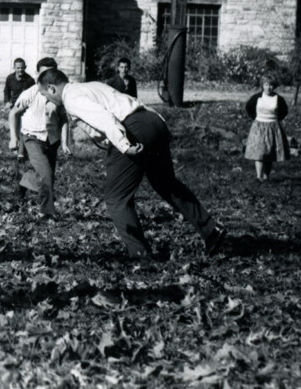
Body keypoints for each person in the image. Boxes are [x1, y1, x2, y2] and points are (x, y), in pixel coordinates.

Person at [35, 68, 226, 259]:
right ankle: (211, 230)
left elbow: (104, 118)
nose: (47, 100)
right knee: (166, 183)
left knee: (116, 198)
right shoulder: (91, 86)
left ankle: (141, 254)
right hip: (152, 121)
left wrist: (124, 145)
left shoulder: (71, 99)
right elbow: (129, 102)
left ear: (52, 88)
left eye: (45, 95)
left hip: (132, 130)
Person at [8, 57, 69, 218]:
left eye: (51, 73)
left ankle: (25, 180)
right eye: (43, 74)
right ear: (37, 74)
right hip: (32, 137)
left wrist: (64, 142)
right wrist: (13, 137)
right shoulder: (31, 93)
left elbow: (64, 119)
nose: (47, 78)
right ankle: (46, 213)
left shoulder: (58, 94)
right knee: (46, 174)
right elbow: (13, 113)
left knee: (47, 176)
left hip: (52, 139)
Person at [243, 75, 290, 182]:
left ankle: (266, 176)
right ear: (262, 86)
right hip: (259, 127)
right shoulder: (256, 97)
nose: (269, 87)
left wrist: (275, 120)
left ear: (274, 86)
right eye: (266, 84)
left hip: (273, 127)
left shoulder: (278, 99)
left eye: (271, 85)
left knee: (270, 152)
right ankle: (259, 176)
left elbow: (284, 111)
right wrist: (256, 118)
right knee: (259, 152)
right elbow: (249, 108)